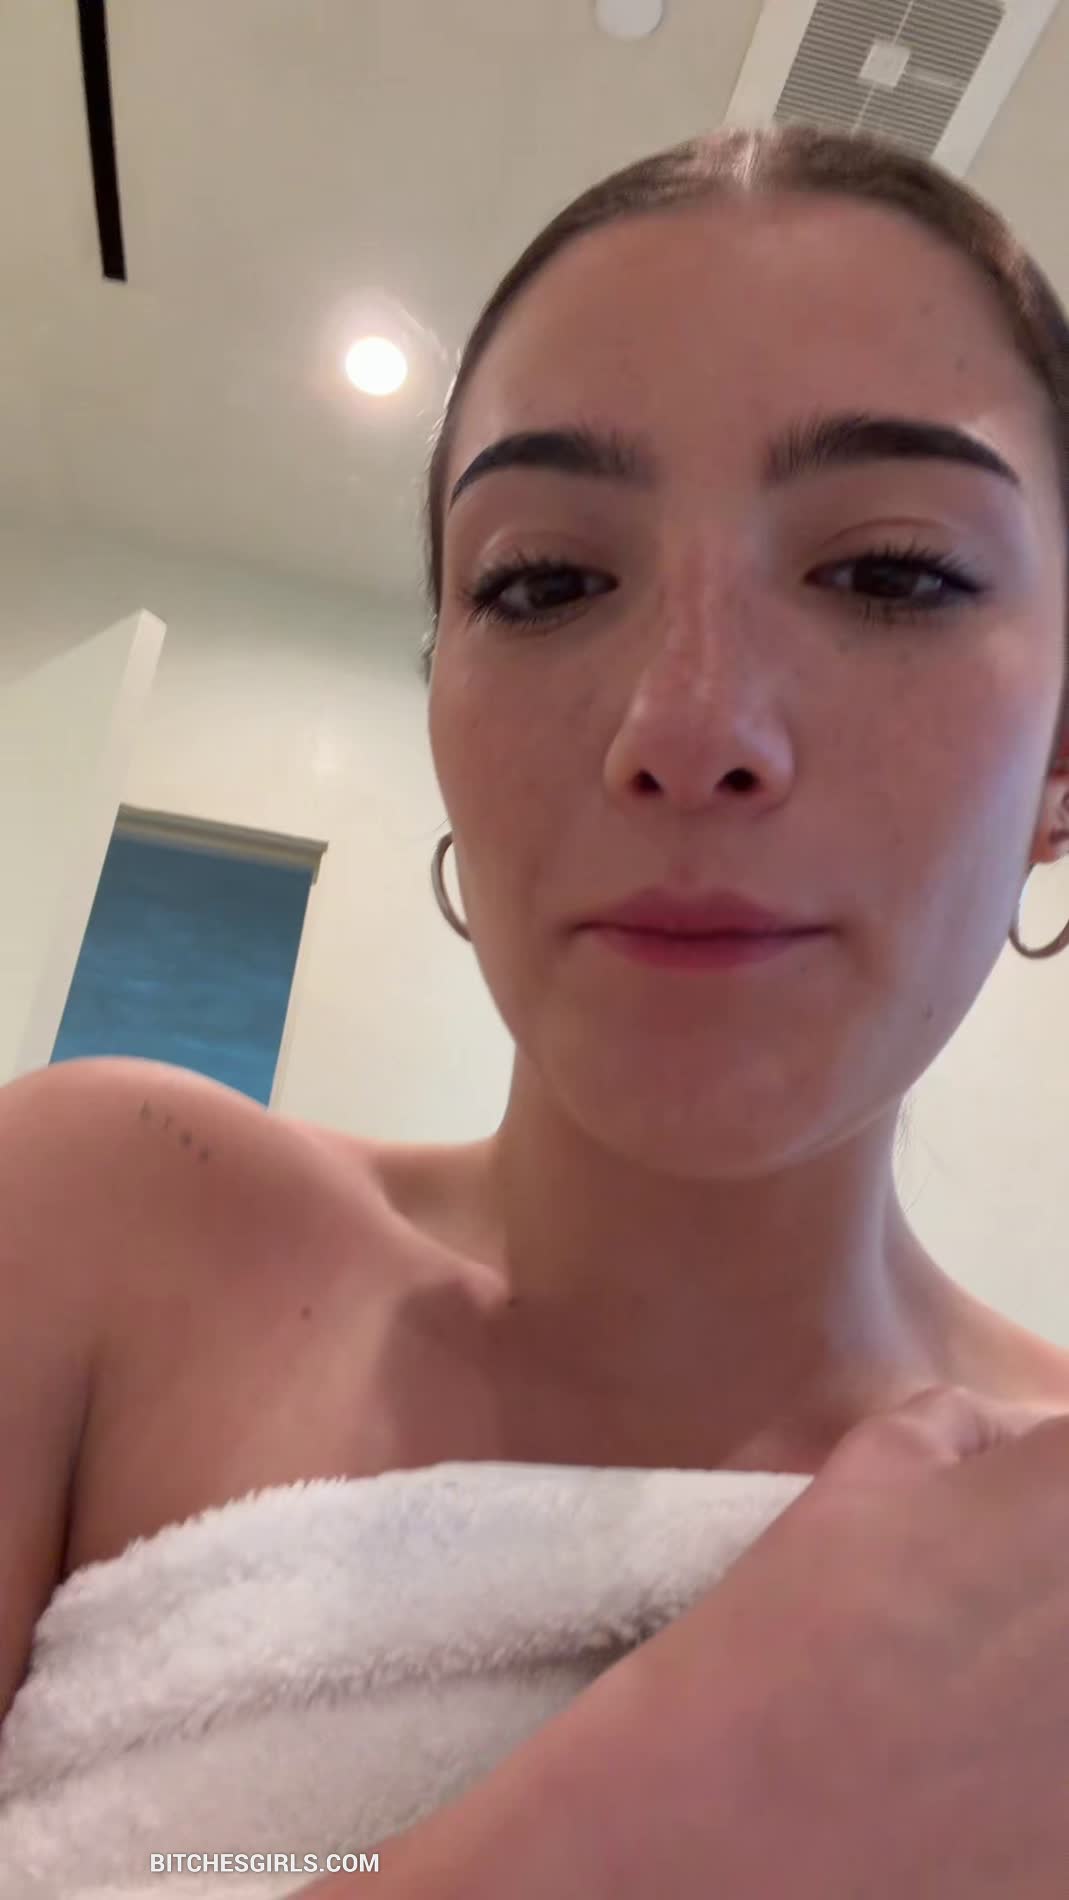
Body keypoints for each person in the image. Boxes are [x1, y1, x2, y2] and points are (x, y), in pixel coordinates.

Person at [2, 122, 1069, 1898]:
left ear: (1060, 760)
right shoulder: (88, 1224)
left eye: (890, 570)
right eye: (543, 582)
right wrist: (721, 1792)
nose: (689, 726)